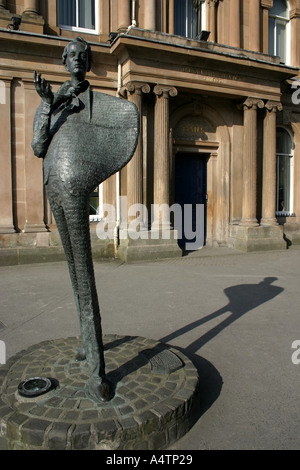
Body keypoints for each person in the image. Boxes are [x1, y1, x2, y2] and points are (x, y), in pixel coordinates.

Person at [31, 37, 139, 402]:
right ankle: (85, 341)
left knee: (84, 272)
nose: (77, 59)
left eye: (83, 55)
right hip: (54, 187)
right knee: (72, 271)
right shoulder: (52, 102)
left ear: (89, 62)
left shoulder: (103, 106)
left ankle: (96, 370)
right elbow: (37, 147)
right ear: (64, 61)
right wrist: (47, 106)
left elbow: (122, 129)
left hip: (76, 189)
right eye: (71, 54)